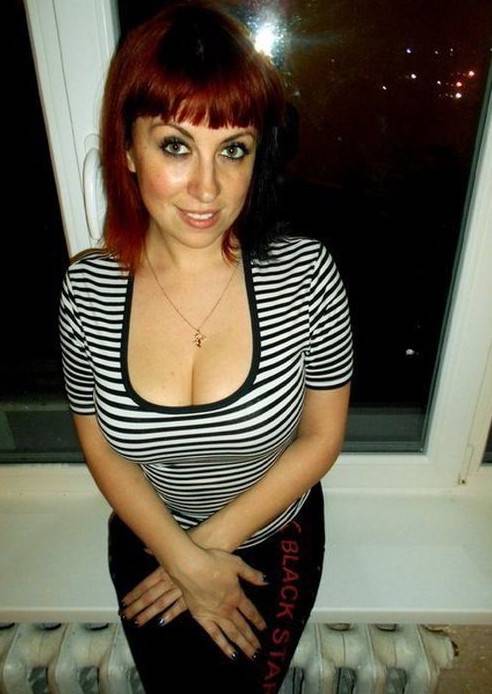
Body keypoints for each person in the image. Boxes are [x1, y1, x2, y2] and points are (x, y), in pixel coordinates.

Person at [58, 1, 354, 692]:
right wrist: (179, 556)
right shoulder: (86, 289)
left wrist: (204, 552)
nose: (207, 187)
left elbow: (321, 439)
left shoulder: (305, 275)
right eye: (175, 146)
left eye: (233, 149)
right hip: (149, 537)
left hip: (272, 539)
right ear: (127, 149)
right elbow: (100, 444)